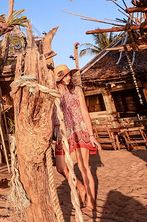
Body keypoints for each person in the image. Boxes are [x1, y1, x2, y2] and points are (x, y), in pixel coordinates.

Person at [53, 64, 101, 213]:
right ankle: (81, 187)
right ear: (59, 79)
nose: (68, 78)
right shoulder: (53, 92)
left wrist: (92, 135)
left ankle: (90, 204)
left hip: (79, 129)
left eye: (69, 75)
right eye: (65, 76)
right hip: (62, 132)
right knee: (60, 168)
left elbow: (85, 112)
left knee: (84, 167)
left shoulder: (77, 90)